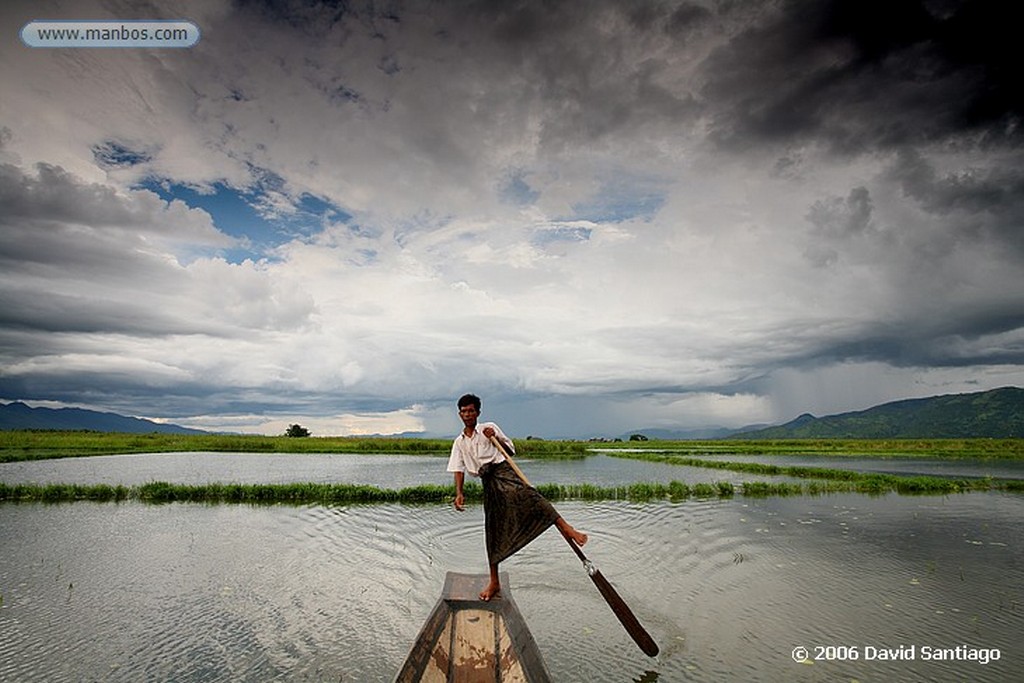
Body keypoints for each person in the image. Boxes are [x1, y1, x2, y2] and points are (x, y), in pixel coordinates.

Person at [448, 393, 588, 601]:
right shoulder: (459, 442)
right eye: (464, 411)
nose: (467, 414)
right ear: (459, 414)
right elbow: (458, 469)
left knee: (531, 497)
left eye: (471, 410)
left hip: (504, 472)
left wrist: (493, 436)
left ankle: (568, 529)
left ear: (478, 412)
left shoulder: (489, 428)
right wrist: (459, 493)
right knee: (493, 530)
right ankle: (494, 581)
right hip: (488, 483)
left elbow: (509, 451)